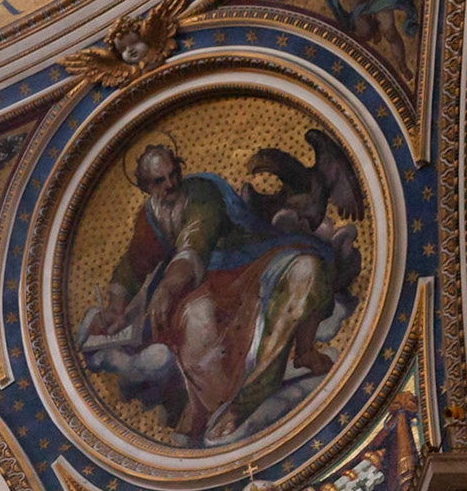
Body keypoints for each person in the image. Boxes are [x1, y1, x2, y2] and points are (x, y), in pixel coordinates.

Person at [80, 144, 350, 447]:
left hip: (249, 260)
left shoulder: (201, 193)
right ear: (145, 186)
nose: (170, 184)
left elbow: (194, 243)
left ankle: (255, 392)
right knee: (195, 323)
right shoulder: (152, 214)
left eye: (174, 174)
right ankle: (204, 410)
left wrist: (168, 288)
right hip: (208, 282)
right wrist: (117, 305)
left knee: (307, 269)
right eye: (159, 181)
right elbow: (134, 262)